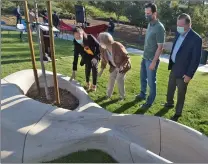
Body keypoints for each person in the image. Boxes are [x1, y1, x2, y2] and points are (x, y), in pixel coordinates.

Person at [163, 13, 202, 121]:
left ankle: (178, 112)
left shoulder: (196, 39)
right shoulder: (178, 34)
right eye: (177, 25)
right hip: (175, 66)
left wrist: (189, 74)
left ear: (189, 24)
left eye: (181, 25)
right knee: (170, 87)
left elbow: (196, 59)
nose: (178, 28)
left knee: (181, 93)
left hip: (184, 72)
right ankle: (169, 103)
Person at [135, 3, 165, 109]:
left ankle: (149, 102)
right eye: (145, 13)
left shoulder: (159, 28)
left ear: (154, 13)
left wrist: (153, 62)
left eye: (148, 13)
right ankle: (142, 95)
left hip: (152, 60)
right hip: (145, 57)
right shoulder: (149, 25)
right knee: (143, 78)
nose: (146, 15)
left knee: (152, 82)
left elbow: (160, 47)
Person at [98, 32, 131, 101]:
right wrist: (101, 71)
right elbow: (104, 60)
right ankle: (108, 95)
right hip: (114, 66)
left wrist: (122, 66)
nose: (99, 42)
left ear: (105, 41)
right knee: (111, 79)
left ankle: (122, 96)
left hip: (123, 66)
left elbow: (127, 57)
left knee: (119, 79)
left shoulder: (117, 45)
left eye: (100, 41)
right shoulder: (103, 49)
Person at [70, 26, 100, 91]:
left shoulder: (90, 37)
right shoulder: (76, 42)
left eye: (79, 37)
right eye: (76, 37)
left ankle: (94, 85)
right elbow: (75, 56)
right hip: (86, 57)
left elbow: (98, 46)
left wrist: (96, 57)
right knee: (87, 69)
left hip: (94, 55)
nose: (78, 39)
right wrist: (74, 70)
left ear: (82, 33)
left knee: (94, 69)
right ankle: (87, 83)